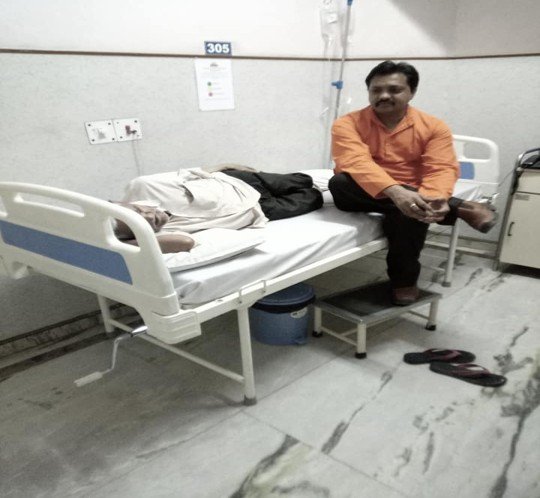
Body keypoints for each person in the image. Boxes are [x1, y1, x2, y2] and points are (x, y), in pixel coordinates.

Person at [329, 60, 497, 305]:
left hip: (415, 192)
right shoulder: (347, 124)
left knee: (407, 213)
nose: (383, 96)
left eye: (394, 89)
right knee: (339, 183)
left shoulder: (433, 127)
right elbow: (355, 162)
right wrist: (396, 192)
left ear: (412, 92)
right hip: (360, 190)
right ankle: (460, 207)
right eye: (376, 90)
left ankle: (404, 282)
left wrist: (436, 196)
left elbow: (440, 167)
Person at [113, 166, 323, 253]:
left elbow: (190, 173)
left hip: (238, 182)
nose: (150, 215)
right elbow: (185, 243)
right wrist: (125, 243)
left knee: (303, 179)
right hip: (259, 211)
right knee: (315, 198)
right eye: (144, 223)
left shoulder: (142, 186)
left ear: (122, 203)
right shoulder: (161, 236)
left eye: (138, 211)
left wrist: (223, 169)